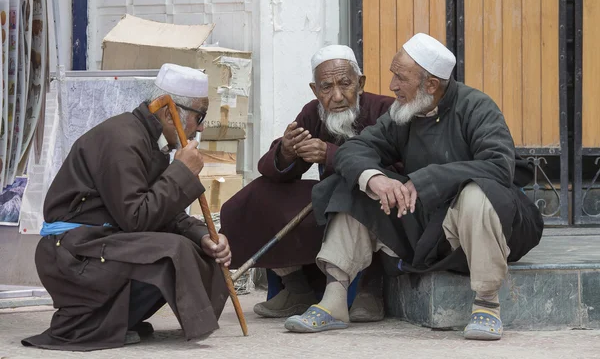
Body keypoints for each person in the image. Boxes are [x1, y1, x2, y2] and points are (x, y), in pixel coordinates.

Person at [284, 33, 544, 340]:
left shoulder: (477, 107)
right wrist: (375, 179)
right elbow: (355, 150)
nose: (392, 85)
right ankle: (334, 300)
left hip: (486, 225)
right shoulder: (403, 114)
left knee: (477, 193)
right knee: (355, 184)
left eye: (400, 77)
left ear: (431, 85)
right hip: (428, 223)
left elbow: (499, 167)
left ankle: (487, 305)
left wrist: (424, 180)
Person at [22, 63, 232, 351]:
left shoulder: (148, 139)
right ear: (170, 114)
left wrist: (203, 235)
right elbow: (137, 218)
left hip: (100, 241)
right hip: (72, 251)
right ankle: (103, 321)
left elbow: (163, 212)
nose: (202, 127)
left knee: (195, 247)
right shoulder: (123, 139)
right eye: (200, 116)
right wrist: (181, 172)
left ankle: (117, 319)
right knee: (174, 250)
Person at [220, 45, 397, 321]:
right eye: (326, 87)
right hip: (329, 205)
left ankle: (370, 290)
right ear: (315, 91)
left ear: (360, 84)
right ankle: (296, 287)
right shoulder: (313, 114)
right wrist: (286, 151)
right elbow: (275, 168)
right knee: (258, 196)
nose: (337, 96)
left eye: (345, 84)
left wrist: (330, 155)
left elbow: (397, 171)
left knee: (361, 198)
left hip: (372, 209)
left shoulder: (384, 110)